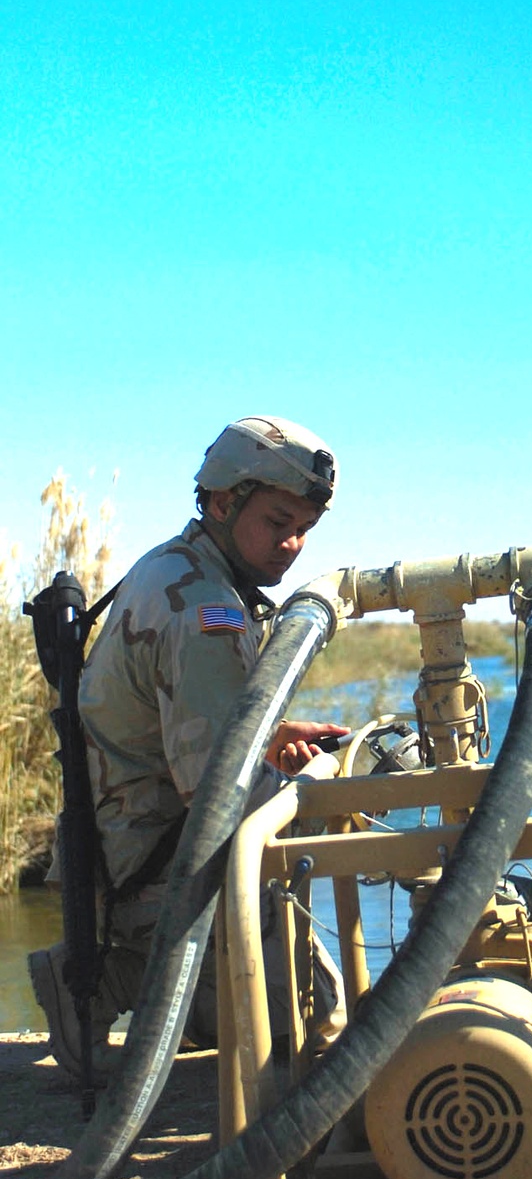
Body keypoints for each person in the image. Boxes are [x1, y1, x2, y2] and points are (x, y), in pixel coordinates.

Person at [30, 415, 348, 1081]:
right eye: (277, 520)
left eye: (303, 529)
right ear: (224, 502)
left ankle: (120, 972)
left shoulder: (173, 568)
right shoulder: (205, 608)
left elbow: (175, 726)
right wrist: (328, 787)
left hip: (135, 854)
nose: (291, 544)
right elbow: (218, 799)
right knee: (315, 1028)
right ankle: (109, 977)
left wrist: (277, 739)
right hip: (157, 872)